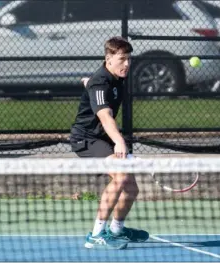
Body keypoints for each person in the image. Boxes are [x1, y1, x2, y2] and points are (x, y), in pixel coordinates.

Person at [70, 36, 149, 250]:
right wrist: (119, 141)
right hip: (86, 138)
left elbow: (95, 87)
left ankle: (116, 229)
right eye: (122, 59)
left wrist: (86, 82)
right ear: (108, 59)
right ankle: (96, 234)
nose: (127, 64)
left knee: (131, 188)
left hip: (102, 137)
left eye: (129, 59)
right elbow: (105, 116)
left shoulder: (114, 78)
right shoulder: (100, 82)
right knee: (121, 176)